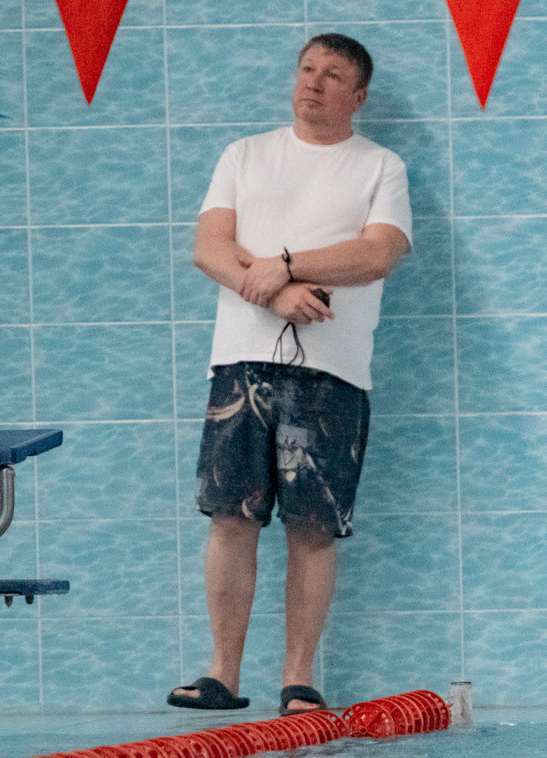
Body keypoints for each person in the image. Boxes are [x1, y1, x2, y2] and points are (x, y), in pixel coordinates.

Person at [170, 33, 412, 716]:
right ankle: (222, 672)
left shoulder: (379, 166)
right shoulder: (245, 155)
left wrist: (285, 260)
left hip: (331, 372)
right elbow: (210, 248)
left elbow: (379, 253)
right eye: (307, 69)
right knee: (230, 516)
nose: (314, 83)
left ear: (357, 97)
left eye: (333, 76)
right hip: (242, 360)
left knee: (311, 527)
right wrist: (275, 291)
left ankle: (299, 679)